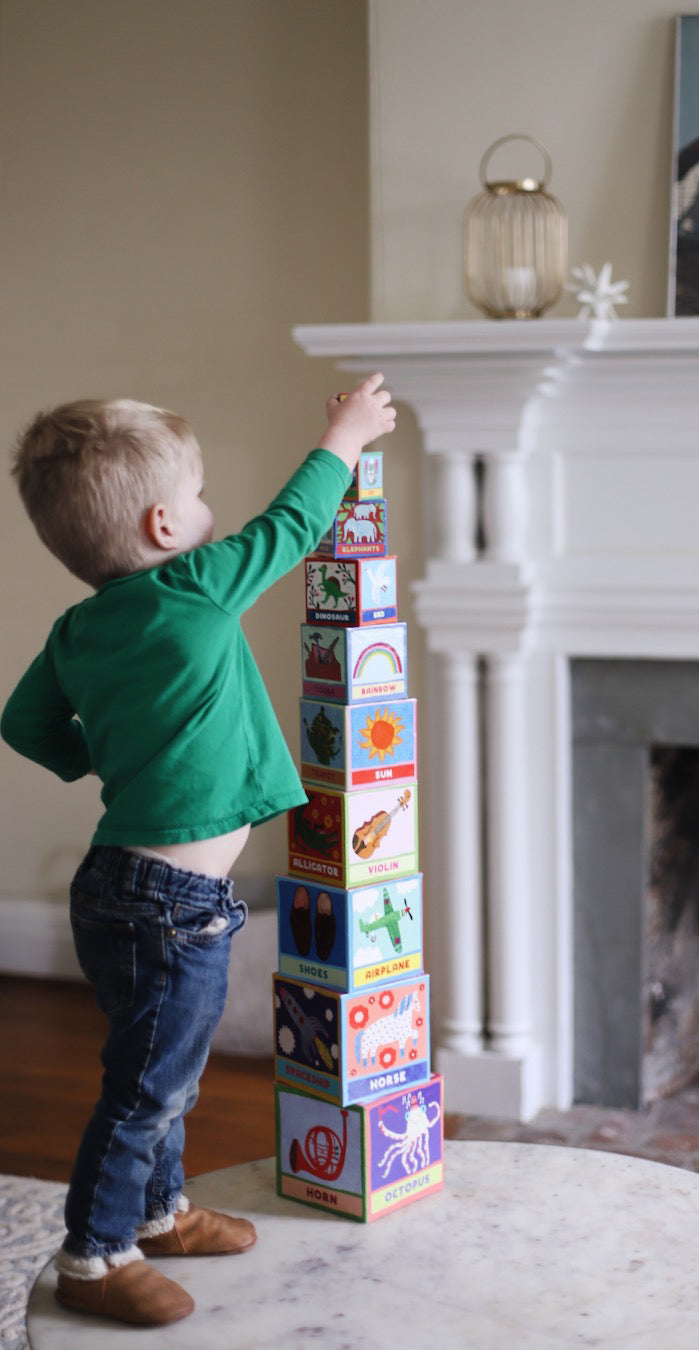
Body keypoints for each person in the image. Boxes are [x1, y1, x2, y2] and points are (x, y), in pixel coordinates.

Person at [1, 374, 396, 1326]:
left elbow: (23, 723)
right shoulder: (196, 584)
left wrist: (114, 756)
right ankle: (94, 1256)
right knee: (146, 1087)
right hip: (167, 907)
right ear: (166, 526)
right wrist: (345, 434)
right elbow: (294, 524)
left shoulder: (77, 628)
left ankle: (163, 1211)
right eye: (202, 493)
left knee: (158, 1069)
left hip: (120, 892)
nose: (216, 512)